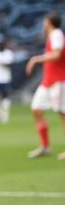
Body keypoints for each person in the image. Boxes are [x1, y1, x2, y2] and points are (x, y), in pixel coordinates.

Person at [26, 12, 65, 159]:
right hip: (48, 81)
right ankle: (45, 146)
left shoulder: (56, 34)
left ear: (49, 22)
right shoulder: (52, 35)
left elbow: (57, 55)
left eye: (44, 21)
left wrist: (36, 59)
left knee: (63, 114)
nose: (43, 23)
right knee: (36, 109)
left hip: (59, 81)